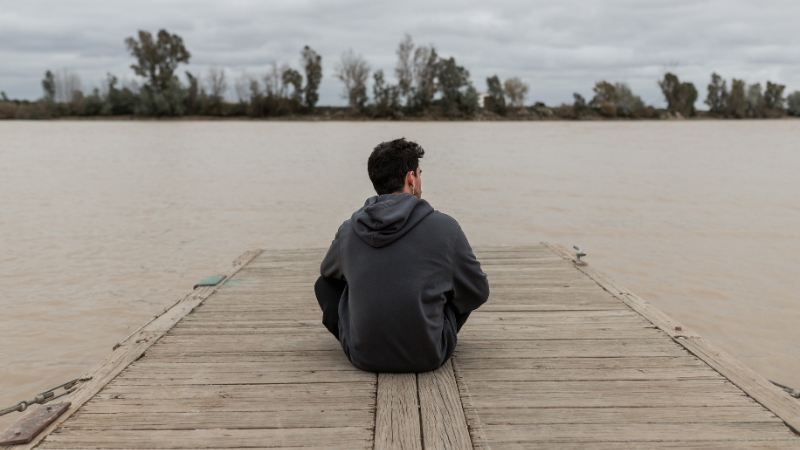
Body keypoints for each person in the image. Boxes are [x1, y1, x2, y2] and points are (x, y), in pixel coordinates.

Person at [314, 138, 489, 373]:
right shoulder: (445, 227)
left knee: (325, 285)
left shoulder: (348, 229)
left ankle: (367, 336)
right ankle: (425, 329)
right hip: (429, 355)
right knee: (457, 282)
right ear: (410, 179)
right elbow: (478, 291)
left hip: (363, 357)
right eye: (419, 174)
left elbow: (328, 274)